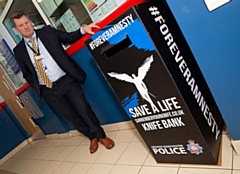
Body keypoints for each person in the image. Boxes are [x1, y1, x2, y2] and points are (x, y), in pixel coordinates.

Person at [10, 11, 114, 154]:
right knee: (72, 116)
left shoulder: (47, 32)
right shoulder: (19, 50)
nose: (26, 27)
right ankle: (91, 137)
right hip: (48, 90)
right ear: (16, 30)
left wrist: (83, 29)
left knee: (84, 108)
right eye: (21, 25)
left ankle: (101, 136)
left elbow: (69, 37)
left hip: (67, 81)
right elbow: (26, 72)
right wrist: (38, 85)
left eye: (27, 22)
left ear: (31, 22)